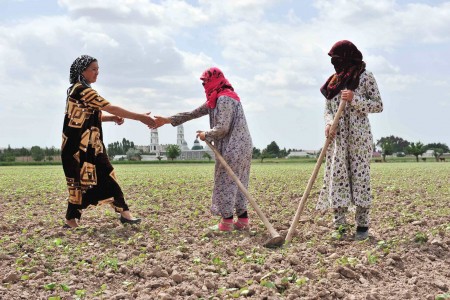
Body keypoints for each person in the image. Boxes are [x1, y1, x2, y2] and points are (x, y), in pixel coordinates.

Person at [152, 67, 253, 231]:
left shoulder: (224, 99)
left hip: (234, 146)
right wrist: (168, 120)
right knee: (238, 181)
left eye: (206, 81)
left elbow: (223, 128)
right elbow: (194, 113)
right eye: (203, 83)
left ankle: (226, 222)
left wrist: (207, 134)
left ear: (215, 80)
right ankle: (242, 220)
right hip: (240, 146)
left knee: (226, 182)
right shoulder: (218, 97)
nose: (204, 85)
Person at [61, 55, 155, 228]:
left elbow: (89, 117)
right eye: (93, 69)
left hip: (92, 147)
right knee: (78, 184)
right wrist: (140, 117)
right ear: (83, 71)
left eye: (98, 69)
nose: (97, 73)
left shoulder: (78, 90)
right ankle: (70, 219)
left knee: (107, 174)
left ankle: (125, 213)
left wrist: (111, 118)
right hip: (76, 149)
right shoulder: (82, 90)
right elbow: (109, 106)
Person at [316, 40, 383, 240]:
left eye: (337, 59)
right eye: (332, 60)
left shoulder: (365, 77)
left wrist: (355, 98)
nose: (334, 63)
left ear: (347, 57)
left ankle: (362, 227)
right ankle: (340, 226)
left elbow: (378, 105)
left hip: (359, 138)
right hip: (338, 140)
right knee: (338, 178)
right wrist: (328, 124)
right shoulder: (334, 82)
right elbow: (328, 110)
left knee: (360, 178)